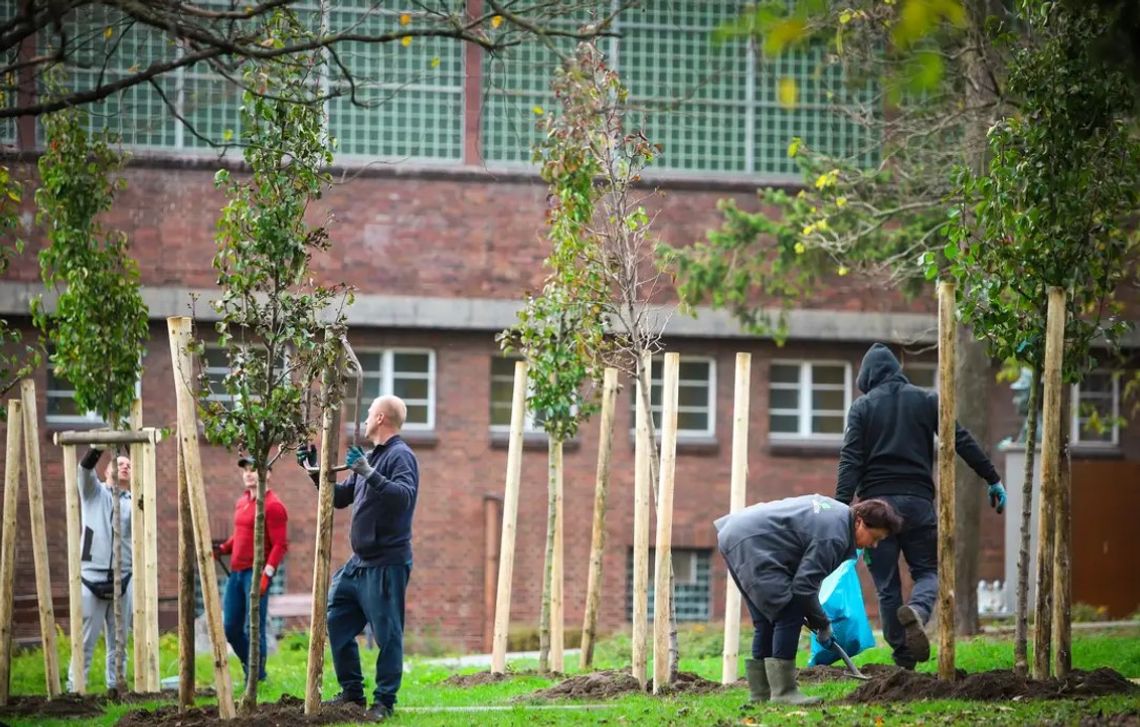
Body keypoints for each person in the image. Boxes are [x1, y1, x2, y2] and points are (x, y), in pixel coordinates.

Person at [836, 342, 1008, 669]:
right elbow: (962, 439)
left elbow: (850, 461)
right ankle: (919, 609)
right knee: (928, 571)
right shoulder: (927, 400)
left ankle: (904, 661)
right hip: (918, 505)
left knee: (887, 586)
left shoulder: (862, 407)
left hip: (875, 511)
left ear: (868, 378)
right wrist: (992, 478)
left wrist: (839, 508)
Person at [300, 395, 419, 723]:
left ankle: (384, 703)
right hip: (358, 564)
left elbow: (403, 498)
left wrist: (369, 473)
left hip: (387, 563)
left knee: (388, 635)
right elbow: (340, 498)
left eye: (369, 414)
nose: (365, 419)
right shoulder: (369, 457)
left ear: (381, 418)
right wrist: (311, 469)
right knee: (335, 619)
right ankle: (352, 692)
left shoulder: (401, 457)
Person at [716, 495, 902, 705]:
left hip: (736, 532)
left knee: (767, 620)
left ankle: (760, 695)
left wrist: (816, 618)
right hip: (755, 541)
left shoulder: (839, 517)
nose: (874, 545)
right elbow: (803, 588)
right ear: (859, 521)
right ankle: (784, 694)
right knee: (789, 612)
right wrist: (822, 623)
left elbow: (804, 579)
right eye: (874, 537)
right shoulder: (835, 536)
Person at [213, 456, 288, 685]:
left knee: (253, 627)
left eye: (253, 469)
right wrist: (225, 547)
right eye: (245, 470)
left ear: (268, 473)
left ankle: (255, 678)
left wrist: (266, 574)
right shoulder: (243, 501)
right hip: (236, 574)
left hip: (255, 575)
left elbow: (280, 545)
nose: (248, 473)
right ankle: (255, 671)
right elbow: (242, 533)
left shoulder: (273, 505)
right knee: (231, 628)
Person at [67, 446, 133, 693]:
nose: (125, 466)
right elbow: (83, 470)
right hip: (91, 577)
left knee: (119, 643)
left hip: (124, 577)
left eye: (129, 465)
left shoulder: (136, 501)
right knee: (85, 641)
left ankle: (117, 689)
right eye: (119, 463)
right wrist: (97, 447)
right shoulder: (93, 493)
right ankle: (76, 691)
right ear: (106, 471)